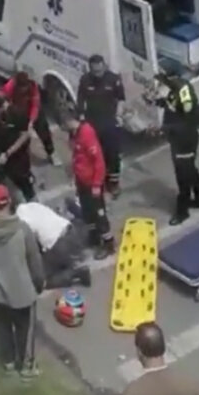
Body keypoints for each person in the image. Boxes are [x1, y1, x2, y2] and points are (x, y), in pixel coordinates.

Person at [0, 184, 45, 378]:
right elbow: (34, 261)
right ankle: (27, 367)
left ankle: (9, 363)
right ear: (10, 202)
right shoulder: (23, 230)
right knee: (25, 330)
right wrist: (39, 283)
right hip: (22, 292)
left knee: (2, 327)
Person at [151, 69, 199, 226]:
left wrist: (163, 129)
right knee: (190, 170)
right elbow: (172, 107)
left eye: (165, 80)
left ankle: (182, 212)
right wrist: (157, 101)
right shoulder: (174, 90)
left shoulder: (184, 94)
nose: (163, 84)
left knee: (183, 176)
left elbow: (186, 122)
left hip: (185, 140)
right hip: (176, 139)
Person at [76, 54, 126, 197]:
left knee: (114, 156)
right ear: (90, 69)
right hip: (93, 125)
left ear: (104, 66)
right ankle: (101, 180)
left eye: (100, 70)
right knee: (97, 155)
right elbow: (81, 100)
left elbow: (121, 99)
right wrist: (81, 119)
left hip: (110, 124)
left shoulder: (113, 79)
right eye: (95, 71)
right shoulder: (85, 80)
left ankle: (114, 184)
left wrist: (118, 116)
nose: (98, 74)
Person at [68, 115, 114, 260]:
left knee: (99, 214)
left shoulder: (86, 134)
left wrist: (96, 184)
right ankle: (94, 237)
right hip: (82, 182)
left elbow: (98, 161)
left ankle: (108, 243)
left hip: (92, 183)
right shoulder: (75, 134)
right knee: (88, 213)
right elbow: (77, 158)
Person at [0, 94, 37, 203]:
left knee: (25, 184)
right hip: (2, 154)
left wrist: (8, 153)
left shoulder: (16, 113)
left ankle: (34, 205)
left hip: (18, 157)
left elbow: (26, 134)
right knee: (7, 181)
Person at [0, 71, 57, 166]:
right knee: (12, 131)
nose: (23, 90)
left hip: (33, 112)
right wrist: (4, 104)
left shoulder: (33, 87)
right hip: (17, 112)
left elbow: (35, 106)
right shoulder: (12, 84)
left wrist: (31, 122)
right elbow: (2, 93)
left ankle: (51, 152)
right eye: (21, 88)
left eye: (25, 88)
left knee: (44, 131)